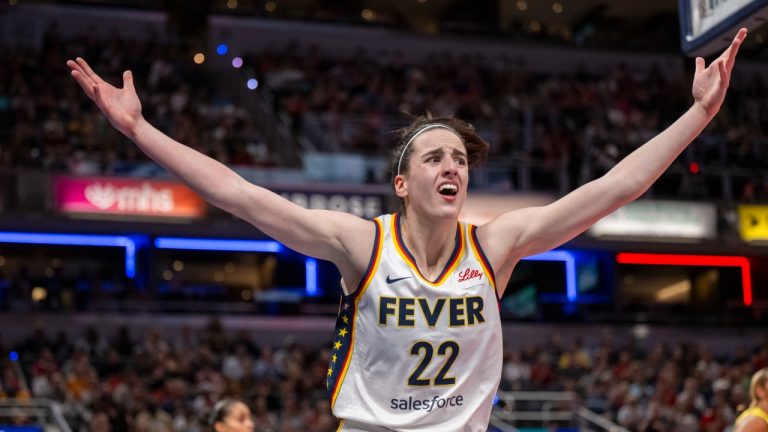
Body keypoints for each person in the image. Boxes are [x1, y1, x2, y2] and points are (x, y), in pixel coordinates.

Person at [67, 28, 747, 432]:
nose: (452, 165)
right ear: (403, 183)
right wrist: (137, 129)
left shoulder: (497, 245)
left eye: (459, 158)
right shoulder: (362, 243)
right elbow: (240, 194)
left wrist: (698, 117)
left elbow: (612, 190)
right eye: (435, 157)